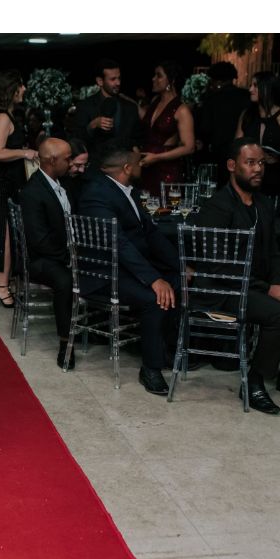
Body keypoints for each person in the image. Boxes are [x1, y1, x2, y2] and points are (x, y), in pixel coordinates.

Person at [194, 139, 280, 414]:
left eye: (261, 163)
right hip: (224, 290)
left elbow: (273, 252)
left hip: (257, 286)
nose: (258, 169)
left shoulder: (263, 204)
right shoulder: (217, 207)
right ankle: (253, 382)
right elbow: (218, 267)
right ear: (232, 166)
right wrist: (269, 289)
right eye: (250, 163)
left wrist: (277, 283)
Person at [78, 145, 180, 395]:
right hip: (104, 274)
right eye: (138, 163)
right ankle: (151, 369)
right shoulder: (96, 194)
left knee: (178, 281)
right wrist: (153, 279)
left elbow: (151, 232)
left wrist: (180, 265)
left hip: (126, 267)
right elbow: (118, 243)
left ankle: (166, 349)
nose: (141, 166)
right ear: (126, 168)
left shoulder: (126, 190)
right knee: (154, 298)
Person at [17, 138, 76, 370]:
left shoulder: (63, 183)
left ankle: (92, 327)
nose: (71, 163)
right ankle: (65, 343)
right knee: (65, 280)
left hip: (61, 252)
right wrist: (69, 257)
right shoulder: (33, 191)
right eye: (67, 159)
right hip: (40, 259)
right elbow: (39, 240)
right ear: (52, 160)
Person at [0, 69, 38, 308]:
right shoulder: (3, 118)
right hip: (2, 184)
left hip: (8, 182)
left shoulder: (7, 115)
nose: (24, 89)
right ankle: (1, 286)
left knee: (8, 234)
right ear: (10, 89)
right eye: (21, 85)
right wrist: (25, 152)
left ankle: (6, 283)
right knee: (3, 235)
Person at [70, 59, 142, 168]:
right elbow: (76, 140)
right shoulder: (85, 106)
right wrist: (92, 126)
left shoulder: (130, 107)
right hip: (97, 168)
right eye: (113, 79)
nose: (118, 83)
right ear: (100, 81)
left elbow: (137, 138)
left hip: (124, 168)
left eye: (119, 78)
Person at [139, 60, 195, 196]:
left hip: (167, 172)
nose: (153, 79)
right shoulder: (155, 102)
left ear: (171, 80)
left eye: (159, 75)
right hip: (146, 167)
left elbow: (189, 147)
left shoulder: (181, 109)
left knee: (164, 207)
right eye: (154, 75)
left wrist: (156, 158)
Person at [235, 71, 280, 201]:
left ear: (268, 88)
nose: (250, 89)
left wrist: (277, 157)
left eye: (255, 86)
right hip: (248, 178)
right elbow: (236, 145)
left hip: (275, 179)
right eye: (251, 85)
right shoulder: (247, 115)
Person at [197, 61, 251, 182]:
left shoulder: (212, 99)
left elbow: (205, 128)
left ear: (218, 81)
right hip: (242, 151)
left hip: (218, 154)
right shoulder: (246, 96)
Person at [61, 137, 90, 205]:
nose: (82, 170)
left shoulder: (84, 181)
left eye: (85, 165)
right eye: (78, 165)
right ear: (67, 160)